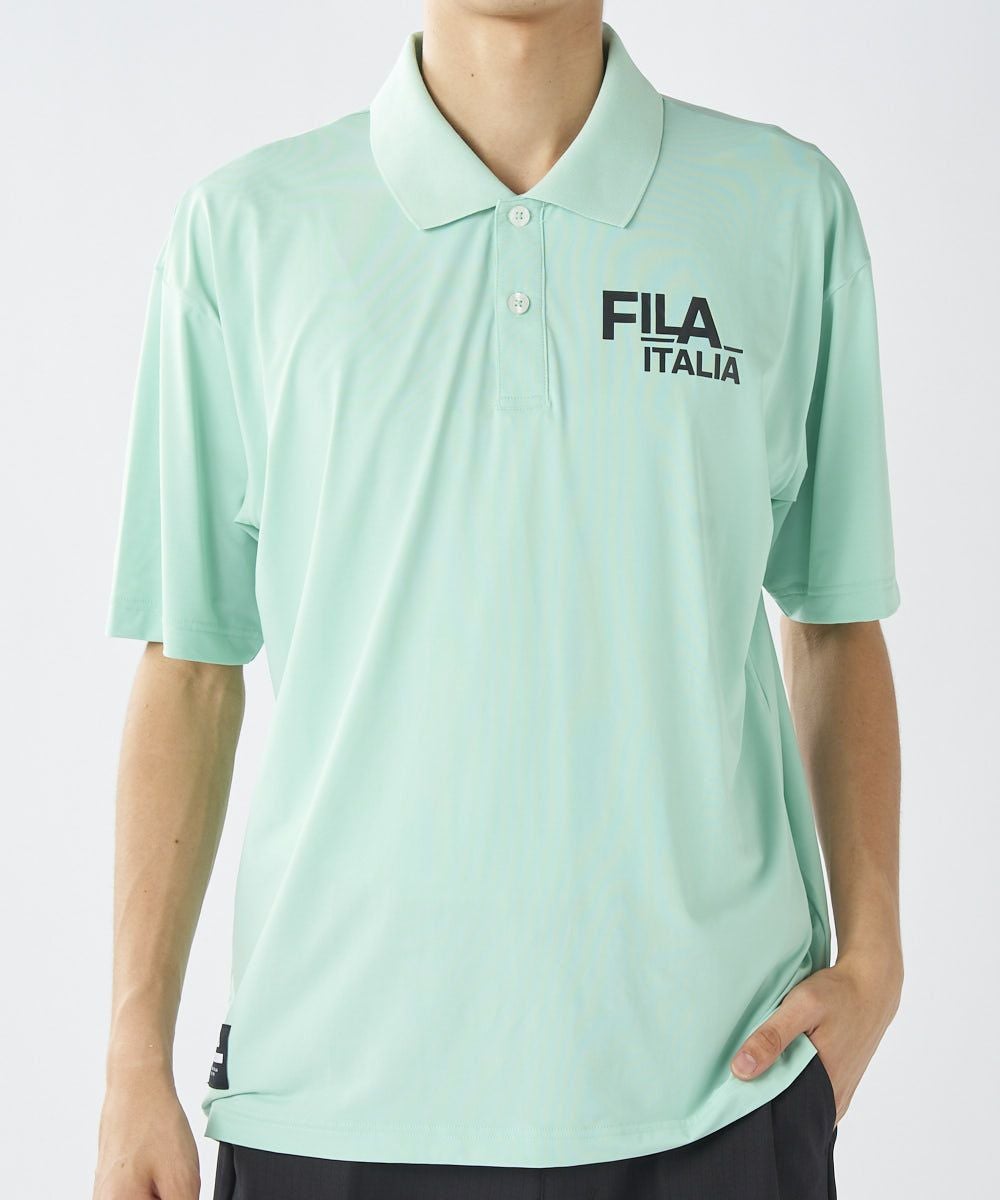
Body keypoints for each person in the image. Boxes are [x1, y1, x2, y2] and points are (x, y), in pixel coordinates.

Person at [93, 2, 903, 1198]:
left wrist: (876, 960)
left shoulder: (782, 207)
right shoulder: (244, 230)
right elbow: (190, 662)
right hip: (332, 1097)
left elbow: (832, 616)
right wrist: (131, 1057)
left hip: (716, 1087)